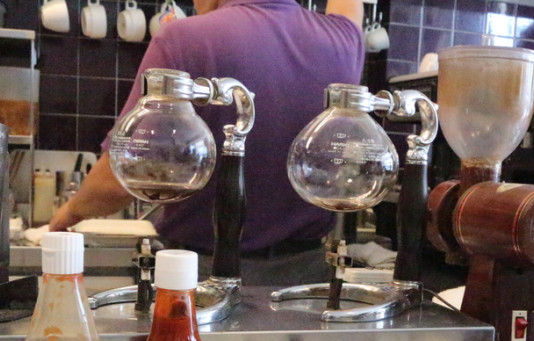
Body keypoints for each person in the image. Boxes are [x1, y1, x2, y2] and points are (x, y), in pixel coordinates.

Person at [50, 0, 365, 286]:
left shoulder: (182, 37)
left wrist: (68, 215)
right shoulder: (343, 39)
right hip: (305, 279)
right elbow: (350, 7)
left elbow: (118, 180)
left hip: (199, 276)